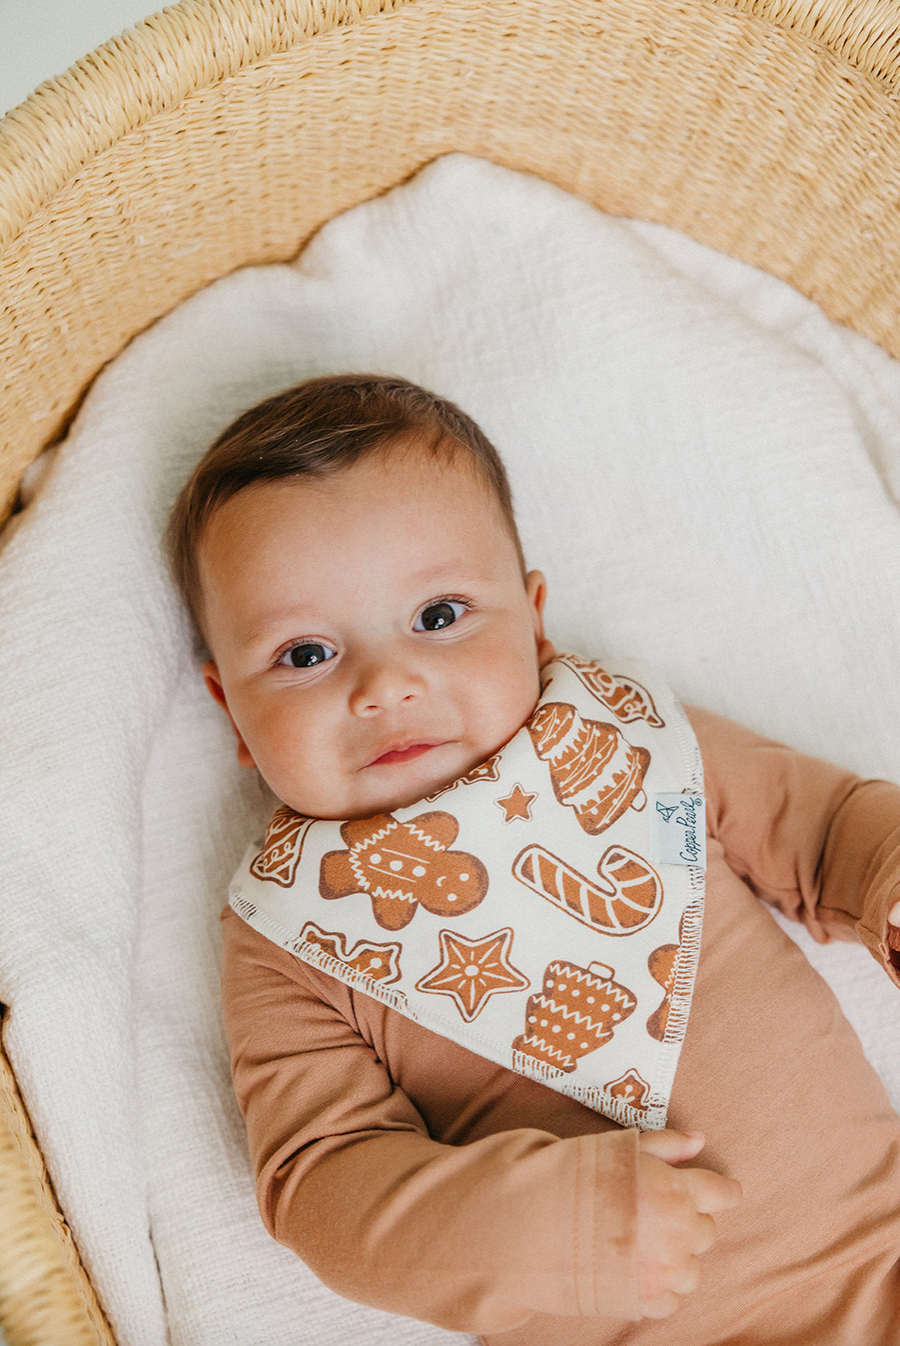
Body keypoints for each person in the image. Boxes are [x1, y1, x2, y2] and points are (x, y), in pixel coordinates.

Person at [167, 373, 900, 1344]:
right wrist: (554, 1228)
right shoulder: (295, 930)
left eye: (438, 616)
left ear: (535, 617)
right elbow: (322, 1184)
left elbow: (822, 822)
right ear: (234, 715)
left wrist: (885, 873)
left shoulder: (627, 741)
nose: (387, 685)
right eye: (305, 654)